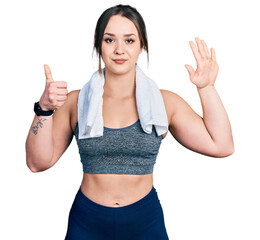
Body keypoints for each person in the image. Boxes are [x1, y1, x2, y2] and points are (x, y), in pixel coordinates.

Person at [25, 4, 234, 240]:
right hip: (87, 223)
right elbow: (37, 163)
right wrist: (43, 109)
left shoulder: (164, 103)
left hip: (145, 223)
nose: (119, 50)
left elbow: (222, 145)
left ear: (142, 45)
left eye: (130, 40)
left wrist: (207, 88)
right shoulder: (76, 101)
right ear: (98, 45)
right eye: (109, 40)